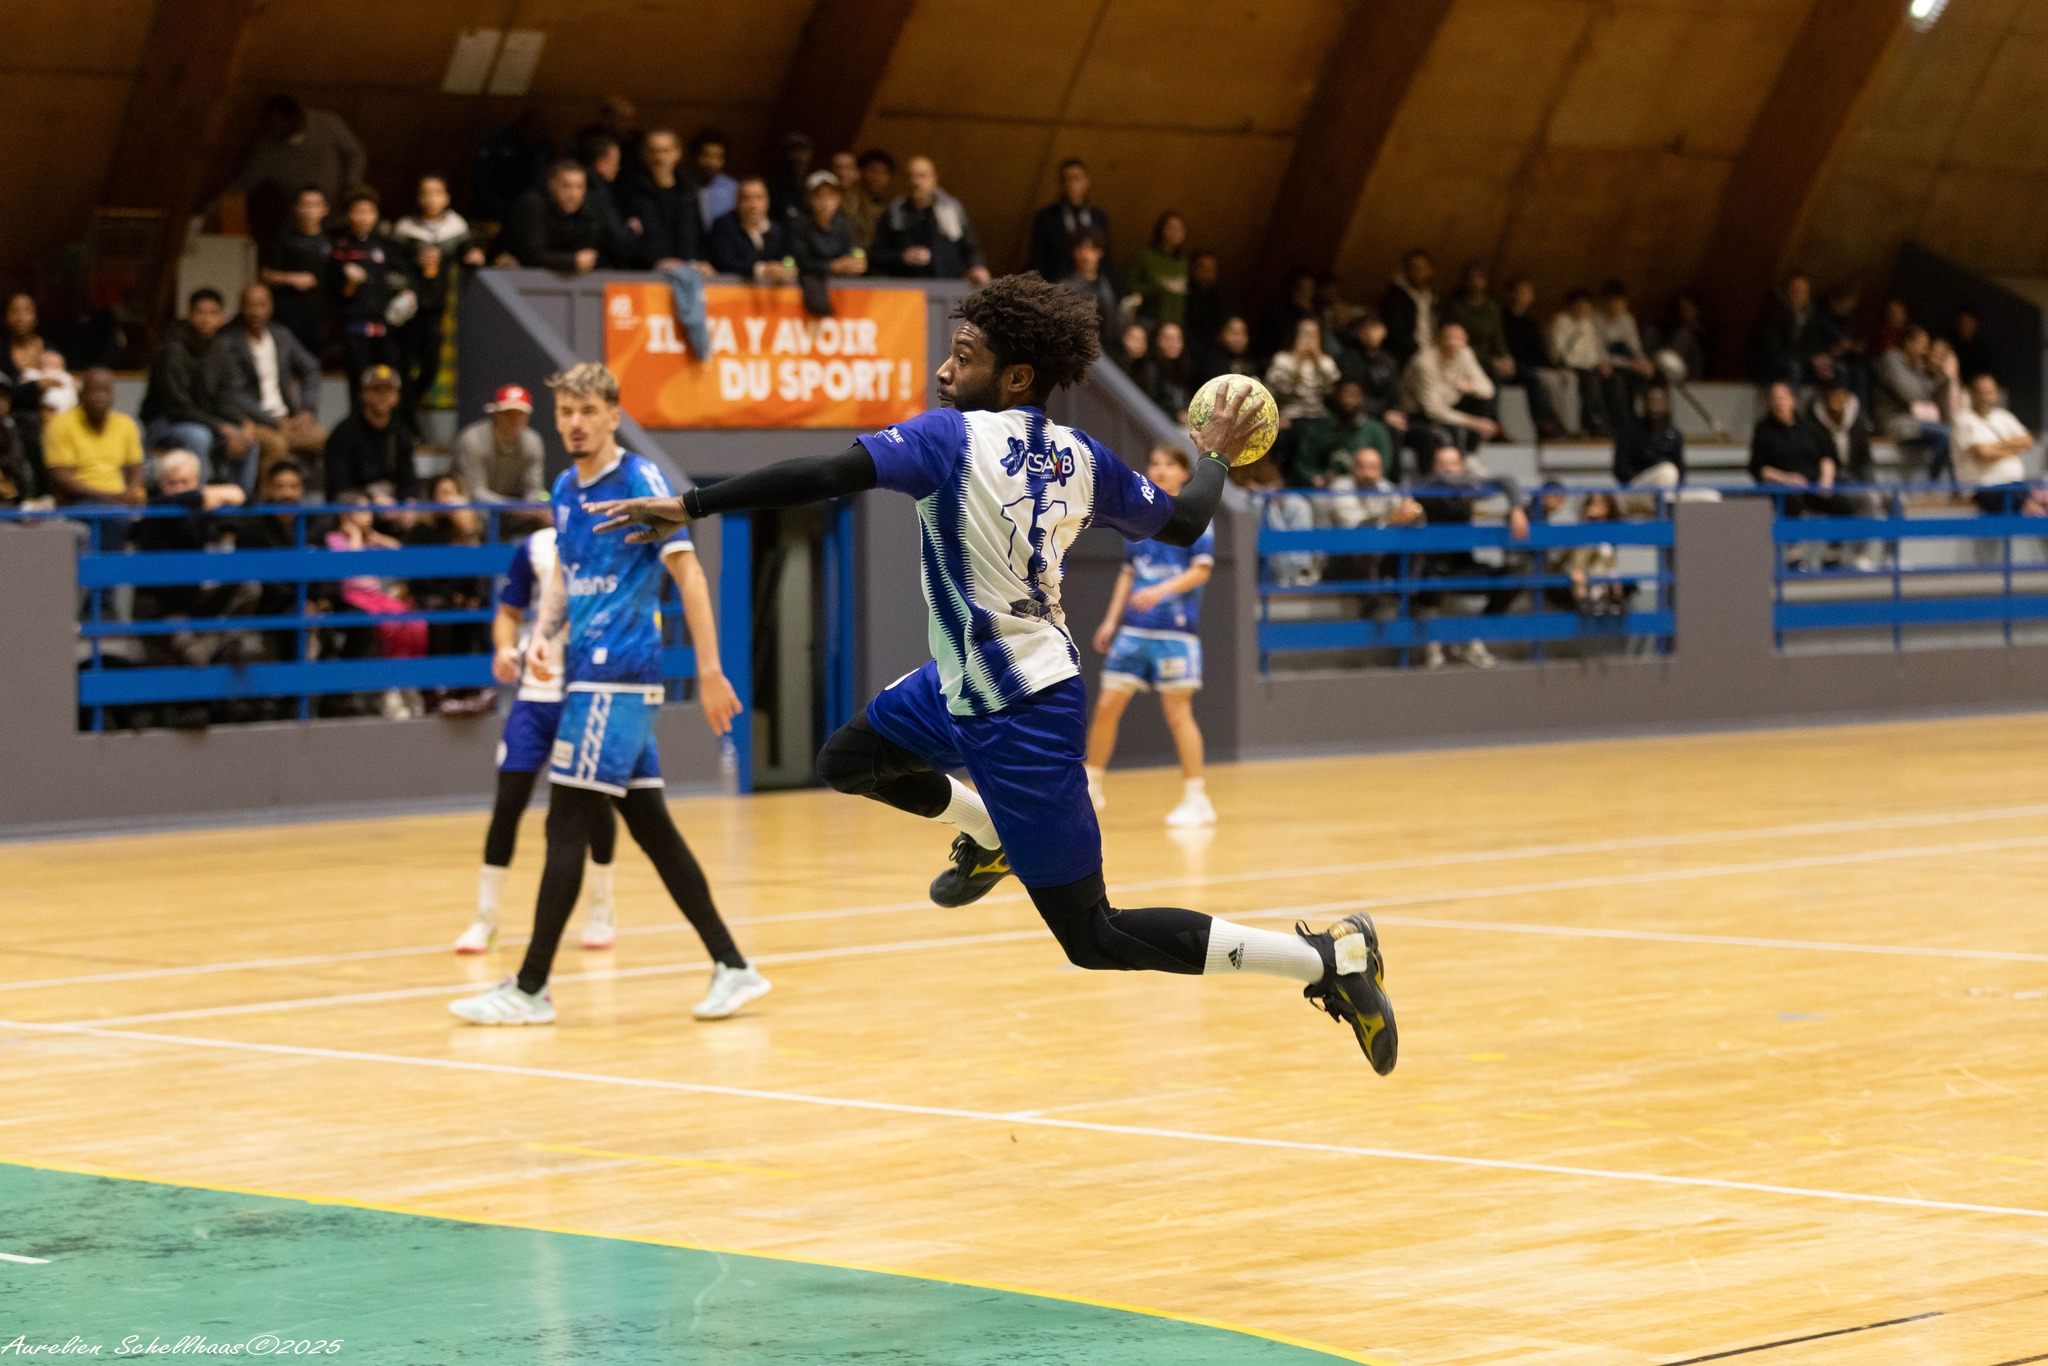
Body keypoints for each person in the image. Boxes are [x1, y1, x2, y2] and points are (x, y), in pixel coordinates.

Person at [586, 275, 1398, 1072]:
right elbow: (1185, 520)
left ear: (1015, 376)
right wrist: (1212, 454)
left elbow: (829, 475)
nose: (945, 371)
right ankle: (989, 834)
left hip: (1023, 713)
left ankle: (1327, 961)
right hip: (960, 684)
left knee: (1093, 936)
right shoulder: (1083, 456)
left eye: (964, 356)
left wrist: (693, 504)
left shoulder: (949, 439)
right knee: (850, 760)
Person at [449, 362, 762, 1026]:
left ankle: (530, 988)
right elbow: (568, 575)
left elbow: (689, 575)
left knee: (565, 822)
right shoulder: (565, 488)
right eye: (566, 412)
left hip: (617, 678)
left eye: (588, 411)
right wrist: (544, 632)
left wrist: (709, 670)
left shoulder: (640, 481)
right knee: (652, 829)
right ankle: (733, 966)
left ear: (614, 416)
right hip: (583, 675)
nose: (576, 423)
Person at [456, 523, 625, 955]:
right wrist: (503, 649)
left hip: (586, 693)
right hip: (534, 698)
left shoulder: (609, 544)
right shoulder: (534, 547)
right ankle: (485, 919)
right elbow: (508, 613)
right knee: (508, 802)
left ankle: (601, 909)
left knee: (595, 804)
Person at [1083, 446, 1217, 828]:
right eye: (1154, 463)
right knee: (1107, 704)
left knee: (1177, 713)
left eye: (1169, 465)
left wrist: (1159, 591)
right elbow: (1129, 572)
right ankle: (1091, 788)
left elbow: (1201, 571)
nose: (1160, 470)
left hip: (1175, 630)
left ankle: (1197, 797)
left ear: (1184, 473)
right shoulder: (1138, 516)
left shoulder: (1195, 516)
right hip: (1134, 629)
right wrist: (1111, 621)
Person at [391, 174, 480, 434]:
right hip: (408, 305)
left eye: (437, 193)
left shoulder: (456, 227)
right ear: (419, 198)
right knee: (404, 364)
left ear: (446, 198)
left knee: (431, 365)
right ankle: (407, 421)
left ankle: (406, 406)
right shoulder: (405, 229)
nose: (431, 198)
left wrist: (474, 256)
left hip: (438, 305)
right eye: (426, 193)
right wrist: (414, 264)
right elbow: (393, 263)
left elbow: (467, 253)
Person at [217, 283, 326, 490]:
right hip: (251, 421)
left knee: (325, 439)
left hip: (288, 417)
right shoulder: (227, 341)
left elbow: (310, 368)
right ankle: (270, 503)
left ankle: (316, 501)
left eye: (262, 305)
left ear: (271, 307)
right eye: (251, 305)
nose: (256, 312)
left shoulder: (281, 335)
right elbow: (235, 393)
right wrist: (274, 422)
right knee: (277, 445)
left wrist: (307, 410)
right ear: (241, 307)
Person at [140, 289, 255, 483]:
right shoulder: (173, 350)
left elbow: (225, 399)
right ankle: (197, 497)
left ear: (221, 317)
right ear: (190, 315)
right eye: (200, 312)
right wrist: (221, 428)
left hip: (206, 421)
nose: (206, 319)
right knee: (199, 436)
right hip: (165, 422)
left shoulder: (220, 349)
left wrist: (242, 423)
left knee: (249, 440)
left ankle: (237, 499)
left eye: (213, 313)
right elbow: (178, 408)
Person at [329, 187, 407, 399]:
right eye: (358, 211)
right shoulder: (341, 247)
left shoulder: (385, 245)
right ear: (349, 214)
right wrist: (349, 282)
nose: (363, 217)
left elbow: (402, 277)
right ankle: (358, 418)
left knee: (388, 379)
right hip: (355, 325)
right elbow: (338, 292)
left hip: (385, 325)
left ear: (376, 214)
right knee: (359, 381)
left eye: (369, 211)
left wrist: (407, 294)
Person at [870, 156, 990, 284]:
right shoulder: (893, 213)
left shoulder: (951, 211)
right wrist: (902, 257)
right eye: (911, 176)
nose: (916, 182)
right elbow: (876, 254)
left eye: (922, 176)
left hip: (947, 285)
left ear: (934, 178)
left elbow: (969, 247)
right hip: (906, 286)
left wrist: (977, 266)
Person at [42, 368, 143, 505]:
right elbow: (61, 477)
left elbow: (136, 470)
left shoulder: (126, 424)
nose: (101, 397)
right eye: (94, 391)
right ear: (81, 395)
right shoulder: (60, 424)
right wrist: (108, 498)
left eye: (106, 391)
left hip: (119, 499)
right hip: (79, 500)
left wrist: (131, 492)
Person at [1401, 321, 1500, 453]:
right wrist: (1474, 422)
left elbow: (1488, 389)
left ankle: (1471, 454)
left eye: (1458, 339)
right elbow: (1433, 410)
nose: (1454, 343)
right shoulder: (1425, 363)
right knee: (1450, 431)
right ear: (1438, 340)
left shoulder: (1465, 353)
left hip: (1449, 404)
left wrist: (1471, 387)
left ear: (1465, 341)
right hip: (1420, 414)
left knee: (1482, 400)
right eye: (1449, 338)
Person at [323, 365, 416, 502]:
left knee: (413, 508)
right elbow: (338, 485)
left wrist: (405, 501)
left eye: (388, 391)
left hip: (391, 504)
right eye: (376, 390)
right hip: (354, 503)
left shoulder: (400, 434)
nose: (382, 397)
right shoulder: (343, 433)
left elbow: (409, 482)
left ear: (397, 396)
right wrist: (371, 498)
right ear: (363, 393)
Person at [1953, 374, 2043, 514]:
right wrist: (2013, 449)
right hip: (1984, 488)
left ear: (1996, 394)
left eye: (1989, 392)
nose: (1985, 397)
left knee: (2033, 497)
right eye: (1981, 392)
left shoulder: (2004, 416)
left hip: (2015, 485)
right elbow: (1982, 454)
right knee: (2030, 507)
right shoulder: (1963, 420)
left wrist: (1995, 446)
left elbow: (2028, 441)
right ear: (1972, 394)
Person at [260, 187, 333, 359]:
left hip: (320, 317)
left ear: (325, 209)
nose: (310, 210)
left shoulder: (331, 242)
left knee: (313, 363)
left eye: (315, 205)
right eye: (305, 204)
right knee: (286, 361)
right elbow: (265, 275)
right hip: (288, 314)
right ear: (296, 208)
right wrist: (292, 278)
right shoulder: (284, 239)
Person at [1874, 326, 1953, 483]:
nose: (1925, 350)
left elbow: (1929, 400)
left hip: (1914, 421)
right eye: (1921, 344)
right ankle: (1931, 484)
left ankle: (1950, 487)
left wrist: (1939, 374)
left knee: (1951, 434)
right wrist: (1928, 379)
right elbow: (1912, 395)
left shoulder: (1917, 366)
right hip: (1893, 422)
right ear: (1908, 343)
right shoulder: (1891, 360)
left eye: (1927, 346)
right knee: (1946, 434)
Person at [624, 128, 709, 270]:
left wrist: (697, 261)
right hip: (646, 271)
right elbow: (627, 238)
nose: (659, 158)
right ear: (644, 154)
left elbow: (698, 232)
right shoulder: (631, 191)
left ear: (677, 153)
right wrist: (654, 261)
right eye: (653, 151)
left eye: (665, 151)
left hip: (689, 268)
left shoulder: (689, 191)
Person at [500, 160, 604, 274]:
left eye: (579, 187)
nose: (573, 194)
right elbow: (532, 255)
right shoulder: (533, 205)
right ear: (552, 185)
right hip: (511, 274)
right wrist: (571, 261)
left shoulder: (588, 211)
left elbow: (586, 256)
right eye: (566, 186)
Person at [454, 384, 546, 503]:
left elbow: (535, 490)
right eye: (508, 413)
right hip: (471, 507)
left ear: (527, 417)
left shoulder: (532, 442)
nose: (514, 420)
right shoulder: (473, 439)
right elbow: (475, 491)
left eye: (520, 414)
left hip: (515, 507)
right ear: (496, 413)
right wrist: (513, 507)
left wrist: (531, 506)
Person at [1028, 158, 1110, 283]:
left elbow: (1106, 258)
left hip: (1093, 283)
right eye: (1067, 179)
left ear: (1086, 181)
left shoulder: (1099, 217)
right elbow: (1038, 258)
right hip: (1056, 282)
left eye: (1076, 178)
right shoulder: (1046, 217)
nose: (1071, 184)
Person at [706, 177, 795, 282]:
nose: (753, 205)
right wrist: (763, 270)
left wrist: (788, 269)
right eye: (746, 199)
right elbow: (725, 263)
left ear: (767, 201)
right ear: (737, 202)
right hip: (730, 288)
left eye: (759, 198)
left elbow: (787, 258)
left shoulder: (776, 229)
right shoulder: (723, 225)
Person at [789, 170, 866, 281]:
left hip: (841, 283)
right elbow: (800, 261)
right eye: (819, 196)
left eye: (830, 196)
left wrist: (853, 264)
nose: (825, 202)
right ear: (810, 199)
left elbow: (849, 252)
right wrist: (831, 266)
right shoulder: (798, 224)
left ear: (838, 199)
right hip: (808, 282)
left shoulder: (844, 224)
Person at [1613, 382, 1685, 489]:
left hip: (1669, 488)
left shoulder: (1674, 434)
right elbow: (1620, 469)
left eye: (1660, 400)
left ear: (1667, 404)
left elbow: (1680, 471)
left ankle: (1667, 498)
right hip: (1636, 488)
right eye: (1652, 400)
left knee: (1708, 495)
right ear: (1645, 402)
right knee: (1667, 472)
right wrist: (1653, 469)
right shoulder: (1630, 431)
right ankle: (1665, 499)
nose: (1656, 405)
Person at [1060, 229, 1120, 353]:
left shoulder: (1106, 286)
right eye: (1081, 248)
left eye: (1092, 249)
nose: (1086, 255)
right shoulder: (1065, 287)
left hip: (1106, 349)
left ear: (1100, 252)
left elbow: (1112, 327)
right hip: (1077, 350)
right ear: (1074, 252)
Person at [1125, 211, 1189, 327]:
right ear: (1161, 230)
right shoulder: (1145, 256)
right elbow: (1128, 285)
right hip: (1148, 318)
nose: (1176, 233)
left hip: (1174, 323)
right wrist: (1157, 289)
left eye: (1180, 229)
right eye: (1172, 228)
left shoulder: (1182, 263)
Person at [1377, 249, 1435, 370]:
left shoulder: (1432, 296)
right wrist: (1417, 348)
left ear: (1430, 270)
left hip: (1432, 349)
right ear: (1406, 270)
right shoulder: (1395, 297)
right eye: (1414, 268)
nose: (1419, 272)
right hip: (1406, 354)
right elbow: (1395, 331)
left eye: (1423, 267)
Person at [686, 128, 739, 232]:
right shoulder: (682, 185)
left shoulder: (732, 187)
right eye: (706, 155)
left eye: (718, 157)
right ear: (695, 156)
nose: (712, 163)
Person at [845, 149, 894, 250]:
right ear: (861, 172)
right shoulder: (851, 198)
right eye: (874, 171)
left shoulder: (888, 205)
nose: (878, 177)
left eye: (884, 172)